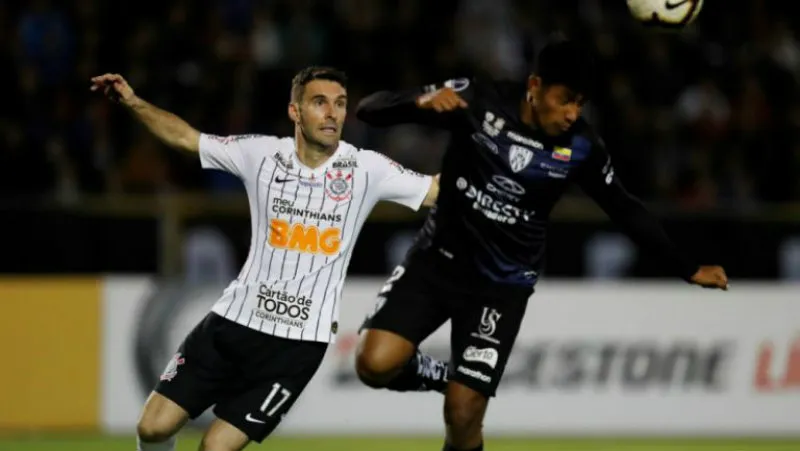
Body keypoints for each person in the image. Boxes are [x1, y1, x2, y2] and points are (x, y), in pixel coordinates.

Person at [353, 40, 728, 451]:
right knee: (372, 365)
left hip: (500, 286)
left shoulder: (581, 147)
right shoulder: (479, 99)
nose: (572, 113)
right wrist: (420, 101)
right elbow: (370, 109)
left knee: (462, 413)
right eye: (565, 100)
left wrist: (686, 267)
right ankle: (446, 377)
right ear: (534, 85)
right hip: (436, 261)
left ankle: (465, 388)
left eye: (580, 103)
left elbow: (624, 208)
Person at [90, 66, 440, 451]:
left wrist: (496, 156)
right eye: (320, 103)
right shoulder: (261, 153)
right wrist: (134, 102)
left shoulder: (366, 168)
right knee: (153, 427)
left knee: (215, 448)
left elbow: (437, 190)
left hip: (296, 347)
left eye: (340, 104)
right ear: (295, 112)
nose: (333, 114)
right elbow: (188, 139)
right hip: (231, 324)